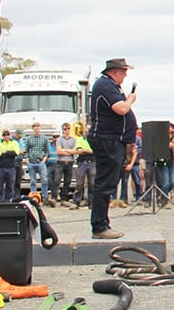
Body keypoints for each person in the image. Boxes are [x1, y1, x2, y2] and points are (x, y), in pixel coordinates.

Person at [87, 57, 138, 240]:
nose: (125, 75)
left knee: (108, 181)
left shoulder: (109, 86)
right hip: (107, 139)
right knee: (105, 182)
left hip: (113, 139)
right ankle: (100, 226)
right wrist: (130, 99)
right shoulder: (106, 86)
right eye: (124, 71)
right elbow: (121, 109)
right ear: (115, 71)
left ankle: (102, 224)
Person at [20, 122, 52, 199]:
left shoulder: (44, 139)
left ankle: (45, 196)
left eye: (38, 128)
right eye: (35, 129)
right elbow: (26, 150)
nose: (37, 130)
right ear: (33, 129)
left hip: (41, 162)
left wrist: (44, 160)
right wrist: (27, 159)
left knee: (44, 180)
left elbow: (47, 151)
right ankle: (33, 197)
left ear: (40, 128)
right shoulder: (29, 139)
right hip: (31, 162)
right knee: (33, 181)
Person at [50, 123, 78, 207]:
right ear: (63, 130)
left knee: (67, 181)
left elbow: (75, 151)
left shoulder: (74, 139)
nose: (67, 130)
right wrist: (69, 151)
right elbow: (58, 151)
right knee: (57, 180)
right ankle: (54, 197)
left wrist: (64, 151)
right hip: (60, 162)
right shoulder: (59, 139)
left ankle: (64, 198)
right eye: (65, 129)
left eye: (68, 128)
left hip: (69, 162)